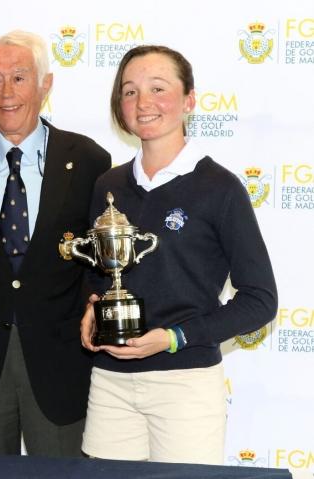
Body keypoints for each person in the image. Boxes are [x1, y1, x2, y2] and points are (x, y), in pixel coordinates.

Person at [79, 45, 278, 464]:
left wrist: (174, 338)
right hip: (111, 383)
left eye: (158, 88)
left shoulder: (219, 188)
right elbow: (98, 275)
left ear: (189, 100)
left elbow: (260, 300)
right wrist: (92, 306)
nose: (143, 102)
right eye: (129, 91)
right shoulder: (108, 187)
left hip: (184, 383)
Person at [0, 30, 111, 457]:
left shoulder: (90, 160)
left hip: (61, 364)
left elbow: (102, 260)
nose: (6, 92)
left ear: (45, 84)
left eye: (19, 78)